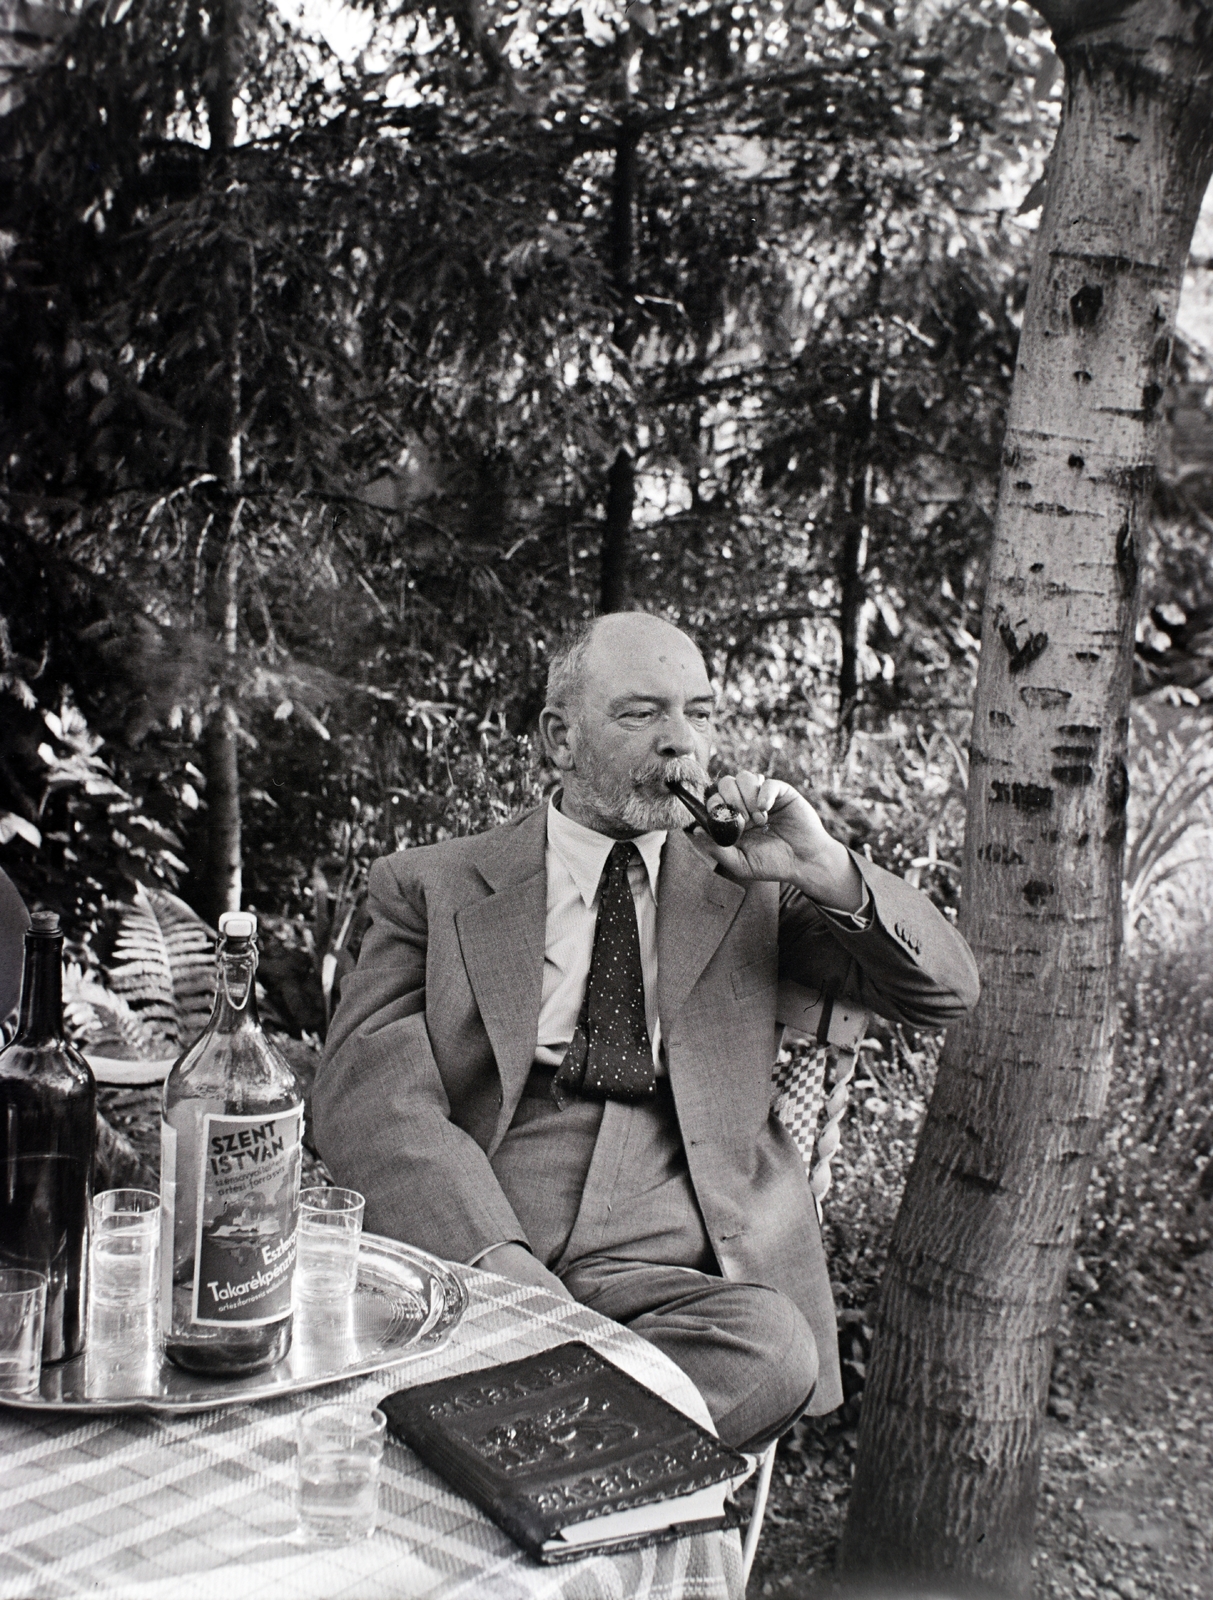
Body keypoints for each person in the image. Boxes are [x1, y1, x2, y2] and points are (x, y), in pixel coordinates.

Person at [313, 614, 980, 1450]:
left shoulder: (751, 884)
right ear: (560, 738)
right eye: (641, 714)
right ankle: (561, 1461)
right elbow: (368, 1096)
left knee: (774, 1353)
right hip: (487, 1222)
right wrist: (497, 1267)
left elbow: (946, 992)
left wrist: (826, 869)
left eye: (697, 713)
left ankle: (495, 1438)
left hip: (673, 1264)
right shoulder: (433, 885)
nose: (680, 743)